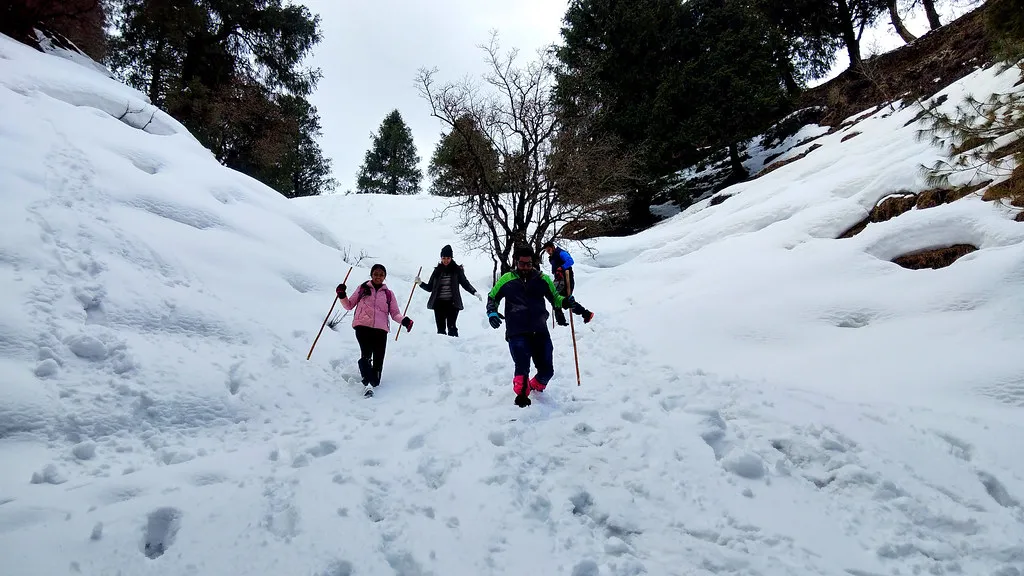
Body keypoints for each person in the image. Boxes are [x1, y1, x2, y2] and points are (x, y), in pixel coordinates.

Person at [486, 245, 594, 407]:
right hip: (517, 330)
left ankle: (535, 387)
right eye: (522, 264)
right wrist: (492, 312)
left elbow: (556, 299)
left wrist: (565, 301)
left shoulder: (542, 279)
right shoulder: (506, 279)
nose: (525, 268)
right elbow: (492, 297)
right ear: (516, 262)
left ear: (533, 262)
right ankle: (522, 398)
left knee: (547, 371)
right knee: (522, 367)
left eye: (528, 264)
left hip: (540, 330)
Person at [335, 264, 414, 397]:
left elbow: (395, 313)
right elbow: (349, 306)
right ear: (371, 275)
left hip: (380, 330)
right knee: (366, 356)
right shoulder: (362, 289)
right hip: (362, 326)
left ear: (385, 277)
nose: (378, 276)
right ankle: (368, 384)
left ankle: (373, 381)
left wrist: (405, 321)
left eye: (381, 274)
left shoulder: (389, 294)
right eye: (376, 274)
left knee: (378, 360)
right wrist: (342, 295)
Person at [416, 244, 482, 337]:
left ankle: (454, 348)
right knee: (440, 330)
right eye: (444, 258)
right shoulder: (437, 271)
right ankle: (442, 350)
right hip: (439, 303)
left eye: (448, 258)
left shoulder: (457, 270)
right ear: (441, 258)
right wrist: (420, 283)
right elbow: (430, 288)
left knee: (452, 328)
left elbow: (465, 283)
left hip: (453, 303)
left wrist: (474, 292)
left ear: (451, 258)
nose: (446, 260)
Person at [543, 240, 594, 326]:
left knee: (562, 300)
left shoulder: (561, 253)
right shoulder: (552, 257)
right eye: (546, 251)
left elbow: (570, 261)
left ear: (553, 247)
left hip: (567, 280)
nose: (548, 252)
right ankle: (583, 314)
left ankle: (563, 321)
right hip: (559, 280)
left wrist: (562, 267)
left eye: (549, 250)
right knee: (559, 299)